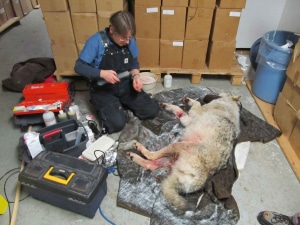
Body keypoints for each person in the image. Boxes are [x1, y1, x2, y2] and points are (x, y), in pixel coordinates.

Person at [74, 10, 159, 134]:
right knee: (117, 124)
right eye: (124, 38)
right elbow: (78, 66)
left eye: (129, 37)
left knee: (152, 111)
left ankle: (121, 105)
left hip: (125, 85)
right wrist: (101, 73)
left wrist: (136, 76)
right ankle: (112, 107)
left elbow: (134, 62)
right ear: (112, 30)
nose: (128, 41)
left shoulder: (129, 40)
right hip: (103, 89)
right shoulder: (96, 41)